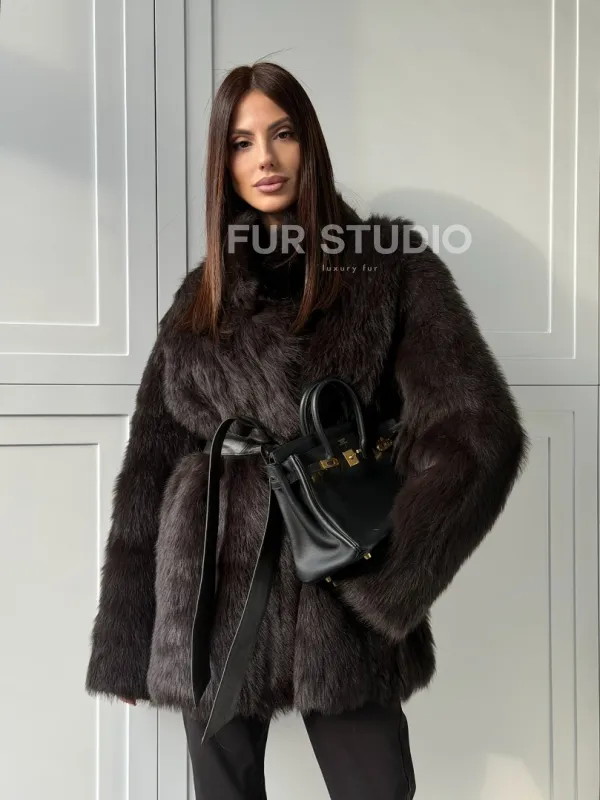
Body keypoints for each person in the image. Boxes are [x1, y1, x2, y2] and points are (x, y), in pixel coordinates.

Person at [85, 61, 529, 800]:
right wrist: (127, 641)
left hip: (336, 585)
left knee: (375, 788)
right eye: (241, 142)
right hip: (209, 585)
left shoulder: (388, 268)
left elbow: (480, 432)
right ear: (223, 163)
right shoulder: (200, 296)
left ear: (309, 143)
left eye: (282, 133)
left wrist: (387, 580)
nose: (264, 158)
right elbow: (150, 466)